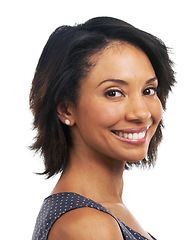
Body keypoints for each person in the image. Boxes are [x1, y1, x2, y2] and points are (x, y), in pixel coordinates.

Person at [30, 16, 175, 240]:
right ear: (67, 109)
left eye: (148, 90)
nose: (142, 113)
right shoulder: (89, 225)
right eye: (114, 93)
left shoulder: (100, 211)